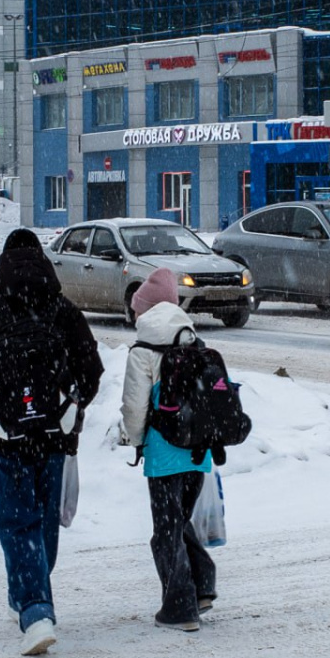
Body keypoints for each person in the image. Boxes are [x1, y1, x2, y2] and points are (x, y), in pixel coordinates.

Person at [0, 228, 103, 656]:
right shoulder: (61, 307)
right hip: (52, 436)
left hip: (5, 432)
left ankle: (34, 609)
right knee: (43, 521)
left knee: (18, 522)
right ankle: (32, 593)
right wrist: (69, 405)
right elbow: (92, 371)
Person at [120, 268, 218, 633]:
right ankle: (202, 586)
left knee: (166, 530)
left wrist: (132, 439)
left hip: (163, 455)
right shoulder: (195, 342)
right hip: (198, 454)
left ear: (144, 312)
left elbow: (134, 407)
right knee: (177, 524)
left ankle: (180, 608)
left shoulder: (144, 351)